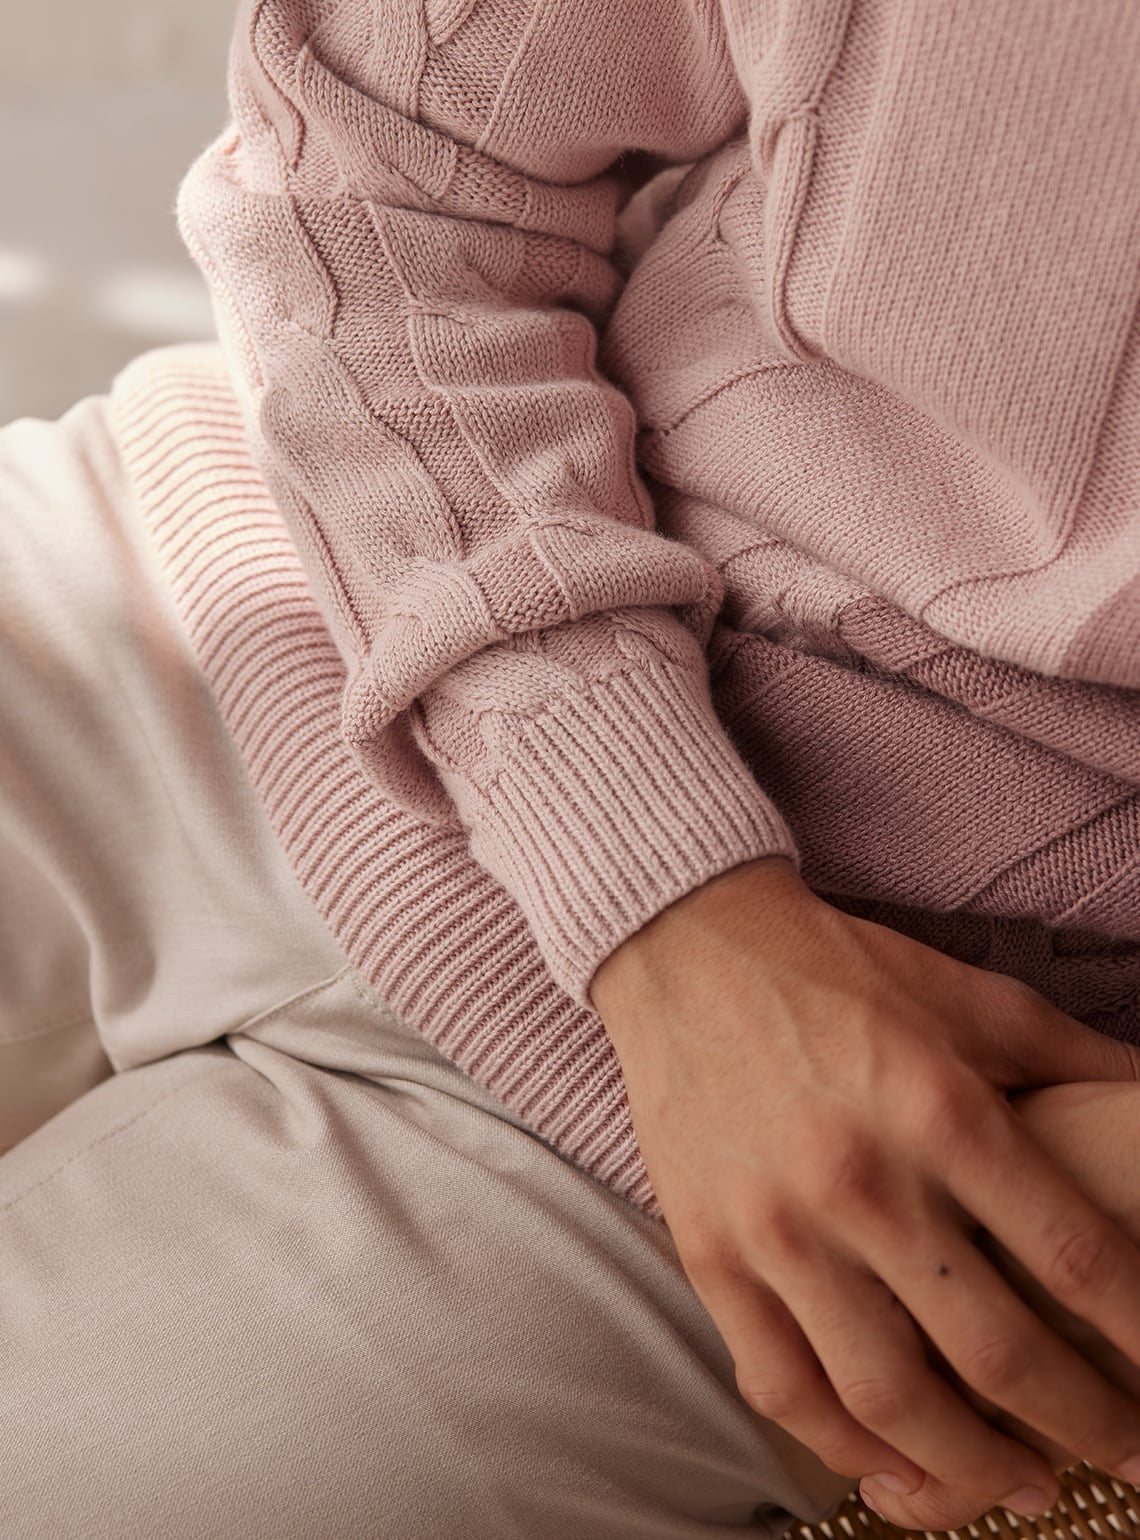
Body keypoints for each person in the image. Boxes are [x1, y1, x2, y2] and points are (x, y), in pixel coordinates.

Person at [2, 0, 1139, 1533]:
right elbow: (376, 158)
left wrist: (1048, 1202)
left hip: (821, 1183)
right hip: (274, 581)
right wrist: (674, 901)